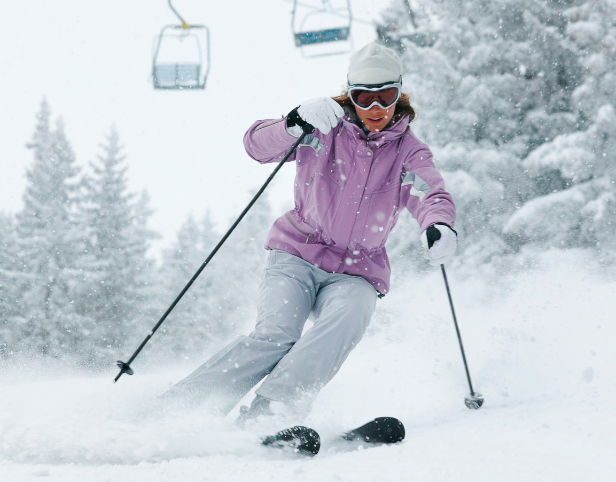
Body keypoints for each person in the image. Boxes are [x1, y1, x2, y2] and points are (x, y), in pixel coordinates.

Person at [164, 42, 457, 423]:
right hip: (297, 253)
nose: (375, 110)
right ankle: (182, 408)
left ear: (399, 96)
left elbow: (428, 191)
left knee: (348, 319)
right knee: (276, 336)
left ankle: (271, 411)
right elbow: (257, 147)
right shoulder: (324, 128)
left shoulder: (408, 152)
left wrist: (438, 223)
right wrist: (292, 122)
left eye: (385, 97)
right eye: (364, 98)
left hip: (357, 270)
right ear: (349, 96)